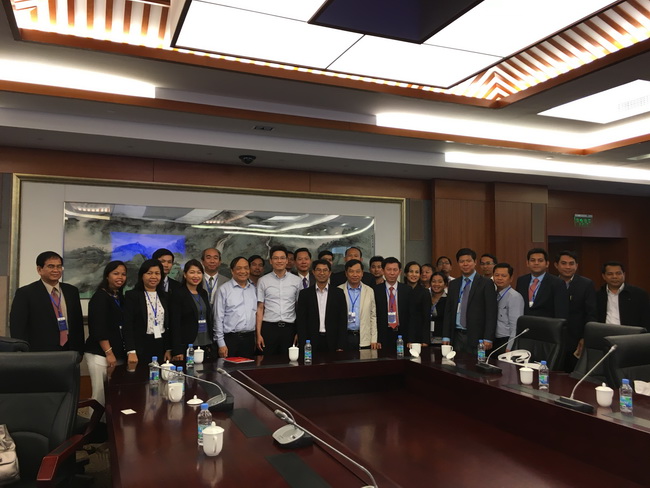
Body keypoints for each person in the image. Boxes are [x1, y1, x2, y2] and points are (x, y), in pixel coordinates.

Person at [10, 251, 84, 352]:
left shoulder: (71, 291)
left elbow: (78, 324)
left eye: (59, 266)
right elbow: (18, 327)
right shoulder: (25, 293)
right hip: (39, 352)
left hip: (69, 350)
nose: (56, 270)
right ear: (39, 269)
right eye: (51, 266)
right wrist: (22, 352)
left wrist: (79, 351)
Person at [84, 260, 127, 406]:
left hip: (117, 353)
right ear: (107, 276)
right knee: (100, 395)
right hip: (101, 353)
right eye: (116, 273)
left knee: (114, 394)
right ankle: (95, 421)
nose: (120, 277)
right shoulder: (100, 297)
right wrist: (109, 353)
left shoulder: (119, 296)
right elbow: (98, 328)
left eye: (123, 274)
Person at [442, 248, 497, 354]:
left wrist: (488, 337)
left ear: (475, 262)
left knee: (475, 364)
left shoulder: (486, 283)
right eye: (462, 261)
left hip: (478, 337)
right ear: (458, 263)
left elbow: (491, 313)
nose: (465, 264)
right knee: (455, 363)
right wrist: (446, 336)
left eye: (468, 261)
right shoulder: (453, 284)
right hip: (456, 336)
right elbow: (448, 311)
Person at [553, 251, 597, 370]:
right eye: (564, 263)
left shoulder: (586, 284)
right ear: (556, 265)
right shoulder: (551, 282)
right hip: (554, 337)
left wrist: (585, 337)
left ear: (576, 265)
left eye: (571, 264)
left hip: (576, 339)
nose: (568, 267)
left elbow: (591, 313)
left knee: (573, 372)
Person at [123, 259, 170, 367]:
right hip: (140, 346)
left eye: (157, 273)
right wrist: (131, 351)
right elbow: (127, 325)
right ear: (142, 276)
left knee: (160, 374)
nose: (153, 276)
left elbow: (168, 325)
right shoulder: (132, 296)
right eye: (149, 273)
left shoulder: (165, 296)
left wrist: (168, 349)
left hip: (160, 344)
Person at [256, 245, 302, 355]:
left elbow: (300, 308)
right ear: (270, 261)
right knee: (267, 361)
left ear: (287, 260)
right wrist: (258, 334)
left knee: (290, 361)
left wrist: (299, 332)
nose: (279, 261)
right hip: (269, 328)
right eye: (276, 258)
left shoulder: (297, 281)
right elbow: (260, 308)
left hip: (289, 328)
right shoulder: (263, 281)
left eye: (282, 258)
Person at [296, 259, 347, 352]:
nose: (322, 273)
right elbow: (301, 322)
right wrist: (303, 344)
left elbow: (342, 321)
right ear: (313, 272)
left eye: (325, 270)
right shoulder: (305, 294)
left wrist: (341, 345)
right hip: (311, 341)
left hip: (333, 341)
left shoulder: (338, 293)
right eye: (318, 270)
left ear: (330, 273)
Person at [170, 259, 214, 360]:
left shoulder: (203, 293)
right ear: (185, 275)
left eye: (199, 272)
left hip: (206, 342)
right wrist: (177, 350)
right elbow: (174, 324)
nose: (196, 276)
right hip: (188, 344)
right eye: (192, 272)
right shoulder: (178, 294)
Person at [215, 257, 258, 358]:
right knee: (228, 367)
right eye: (239, 268)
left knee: (248, 367)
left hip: (249, 339)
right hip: (230, 339)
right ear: (232, 271)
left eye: (246, 268)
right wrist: (221, 343)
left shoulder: (253, 289)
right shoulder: (223, 290)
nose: (243, 271)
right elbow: (218, 318)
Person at [515, 248, 569, 319]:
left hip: (547, 324)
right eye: (532, 260)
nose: (536, 263)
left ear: (547, 264)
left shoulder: (557, 283)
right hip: (525, 323)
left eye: (540, 260)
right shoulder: (521, 281)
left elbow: (561, 311)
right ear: (527, 263)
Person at [596, 261, 650, 328]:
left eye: (618, 273)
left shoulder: (639, 294)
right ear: (604, 276)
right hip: (604, 332)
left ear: (624, 274)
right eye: (610, 274)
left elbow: (646, 319)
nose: (614, 277)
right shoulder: (597, 295)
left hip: (630, 333)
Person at [339, 259, 378, 350]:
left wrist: (374, 339)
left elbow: (373, 316)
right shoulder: (339, 290)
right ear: (346, 273)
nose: (355, 275)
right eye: (351, 271)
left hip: (364, 336)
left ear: (362, 273)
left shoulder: (369, 291)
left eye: (358, 271)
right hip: (345, 336)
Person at [375, 257, 411, 351]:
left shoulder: (407, 290)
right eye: (389, 269)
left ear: (400, 272)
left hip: (402, 334)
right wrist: (376, 339)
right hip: (382, 334)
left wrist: (411, 339)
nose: (392, 273)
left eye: (395, 270)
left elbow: (411, 316)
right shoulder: (376, 290)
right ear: (383, 271)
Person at [492, 263, 524, 352]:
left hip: (505, 341)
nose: (499, 278)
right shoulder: (492, 294)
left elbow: (515, 326)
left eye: (504, 276)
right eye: (497, 275)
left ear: (511, 278)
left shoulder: (514, 297)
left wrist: (510, 347)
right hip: (492, 340)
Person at [403, 261, 431, 347]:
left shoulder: (424, 292)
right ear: (405, 274)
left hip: (418, 334)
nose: (414, 275)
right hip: (401, 333)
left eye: (417, 272)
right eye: (411, 271)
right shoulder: (400, 290)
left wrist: (425, 340)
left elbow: (426, 317)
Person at [429, 272, 448, 343]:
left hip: (442, 338)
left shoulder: (448, 299)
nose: (436, 284)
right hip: (425, 337)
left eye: (440, 282)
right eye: (434, 281)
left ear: (445, 284)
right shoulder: (426, 298)